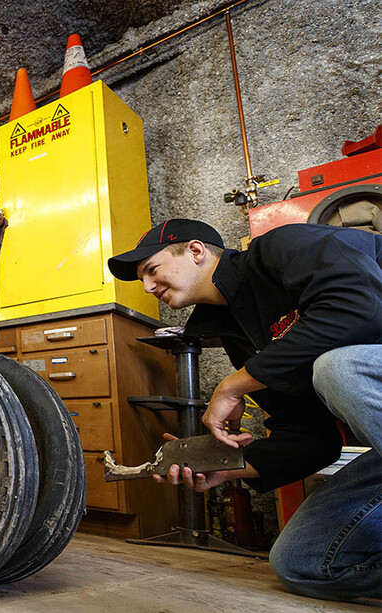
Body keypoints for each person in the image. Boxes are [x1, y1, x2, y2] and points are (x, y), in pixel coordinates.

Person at [107, 218, 381, 602]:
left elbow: (358, 307)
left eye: (151, 270)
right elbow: (312, 441)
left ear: (196, 251)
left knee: (340, 368)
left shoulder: (280, 248)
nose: (149, 288)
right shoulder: (241, 333)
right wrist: (224, 463)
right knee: (302, 563)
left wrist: (234, 384)